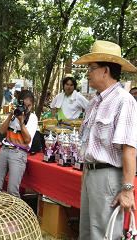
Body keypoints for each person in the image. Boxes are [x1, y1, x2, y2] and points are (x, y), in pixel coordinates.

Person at [74, 40, 137, 239]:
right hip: (90, 173)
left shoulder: (124, 101)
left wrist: (128, 189)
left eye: (91, 68)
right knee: (86, 231)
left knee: (103, 234)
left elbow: (129, 147)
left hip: (108, 176)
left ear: (105, 71)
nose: (88, 73)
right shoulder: (94, 103)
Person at [0, 90, 38, 198]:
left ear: (32, 105)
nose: (26, 109)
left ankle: (16, 214)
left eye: (29, 106)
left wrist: (21, 122)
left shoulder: (32, 118)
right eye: (23, 105)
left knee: (12, 190)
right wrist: (10, 116)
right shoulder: (13, 115)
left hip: (18, 153)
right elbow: (2, 131)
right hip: (4, 150)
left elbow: (27, 140)